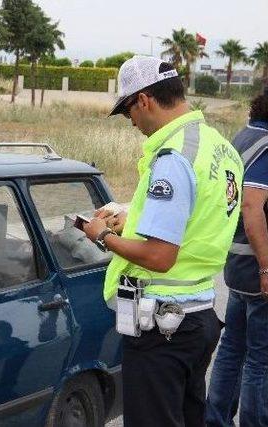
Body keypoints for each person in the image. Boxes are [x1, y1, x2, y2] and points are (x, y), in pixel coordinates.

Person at [82, 56, 243, 427]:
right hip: (199, 314)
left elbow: (159, 255)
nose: (132, 123)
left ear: (143, 100)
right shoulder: (217, 146)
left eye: (127, 112)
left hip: (163, 327)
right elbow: (197, 221)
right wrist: (132, 223)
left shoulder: (173, 158)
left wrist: (102, 235)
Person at [206, 91, 268, 427]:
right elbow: (251, 206)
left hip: (236, 261)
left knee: (232, 348)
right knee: (260, 358)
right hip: (257, 268)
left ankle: (215, 419)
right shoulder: (266, 145)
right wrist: (266, 267)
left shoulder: (243, 137)